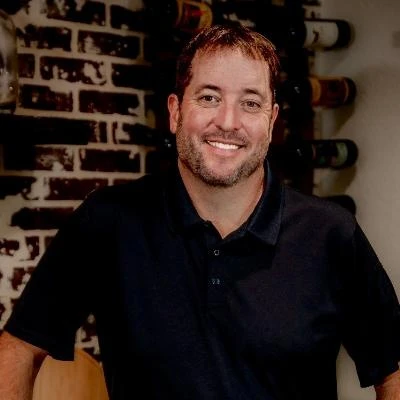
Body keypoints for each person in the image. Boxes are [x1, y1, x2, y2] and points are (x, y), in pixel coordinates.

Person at [0, 23, 399, 400]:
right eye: (209, 97)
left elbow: (392, 368)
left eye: (250, 103)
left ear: (271, 121)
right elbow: (18, 347)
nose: (228, 122)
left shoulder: (330, 233)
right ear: (175, 111)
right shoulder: (108, 221)